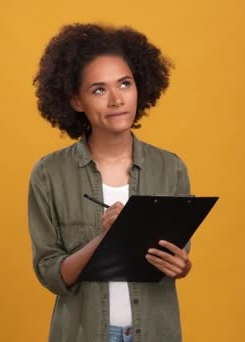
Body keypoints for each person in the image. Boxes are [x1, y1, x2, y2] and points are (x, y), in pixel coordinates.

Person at [28, 23, 193, 342]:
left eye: (125, 84)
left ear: (140, 86)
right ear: (76, 100)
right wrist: (105, 239)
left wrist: (182, 266)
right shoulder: (49, 174)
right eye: (99, 89)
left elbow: (177, 257)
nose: (117, 99)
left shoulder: (171, 169)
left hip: (156, 333)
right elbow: (51, 274)